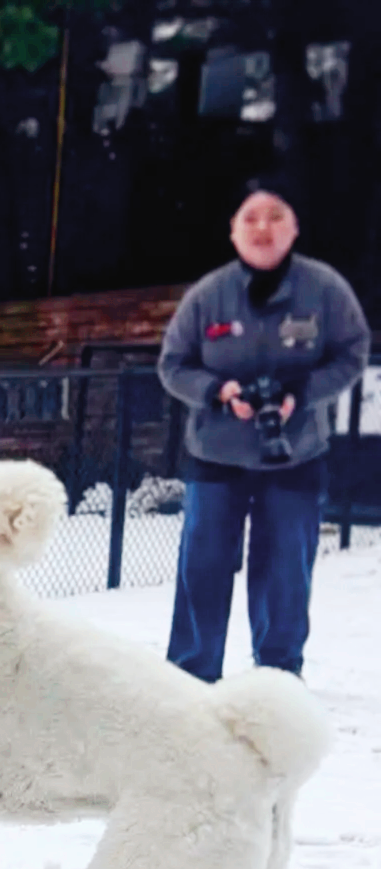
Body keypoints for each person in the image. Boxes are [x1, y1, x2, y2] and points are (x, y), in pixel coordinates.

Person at [158, 175, 370, 682]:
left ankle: (277, 677)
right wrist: (219, 392)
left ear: (294, 228)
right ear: (232, 231)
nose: (262, 228)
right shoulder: (207, 296)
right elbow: (173, 365)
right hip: (215, 456)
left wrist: (303, 392)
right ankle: (191, 675)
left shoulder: (325, 290)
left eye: (276, 216)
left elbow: (352, 353)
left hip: (293, 454)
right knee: (203, 566)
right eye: (250, 217)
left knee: (284, 573)